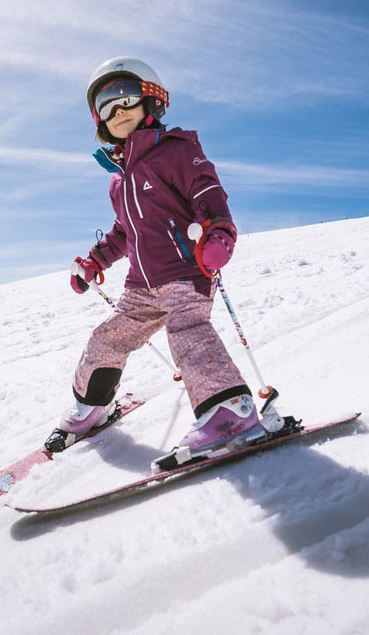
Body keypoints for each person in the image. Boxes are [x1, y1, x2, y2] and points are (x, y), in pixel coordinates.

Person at [52, 56, 258, 453]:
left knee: (188, 335)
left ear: (152, 98)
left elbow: (208, 195)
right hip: (140, 288)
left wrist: (219, 234)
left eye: (123, 96)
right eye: (105, 105)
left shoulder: (178, 151)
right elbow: (123, 233)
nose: (117, 111)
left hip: (185, 273)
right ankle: (93, 407)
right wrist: (94, 263)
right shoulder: (118, 180)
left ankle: (230, 411)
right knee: (105, 340)